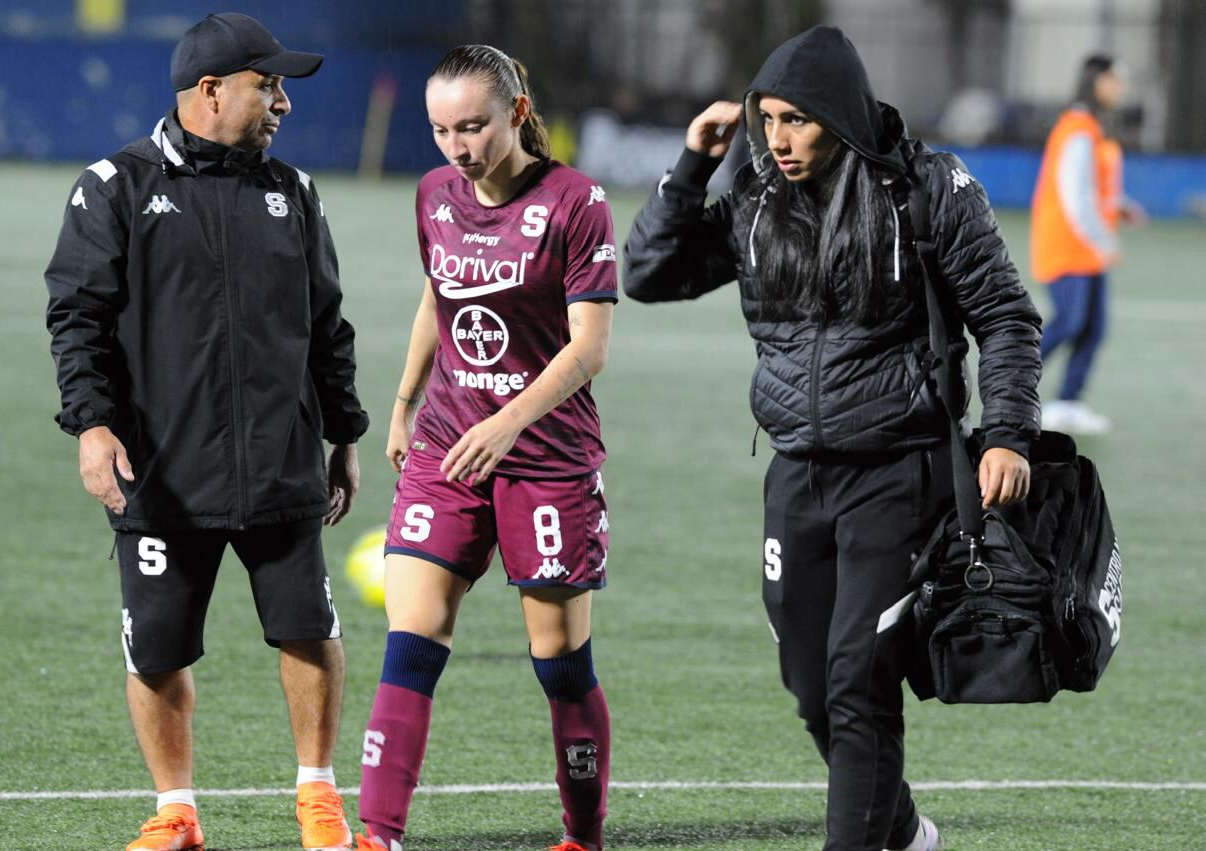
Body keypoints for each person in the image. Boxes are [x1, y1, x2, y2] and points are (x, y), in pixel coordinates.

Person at [623, 26, 1041, 851]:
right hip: (796, 475)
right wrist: (692, 167)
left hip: (901, 472)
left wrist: (1007, 435)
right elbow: (647, 274)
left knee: (858, 681)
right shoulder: (754, 195)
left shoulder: (925, 189)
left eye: (797, 120)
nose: (777, 139)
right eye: (766, 118)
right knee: (811, 686)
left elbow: (1006, 316)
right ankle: (909, 832)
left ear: (840, 119)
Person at [44, 13, 369, 851]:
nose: (283, 105)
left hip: (280, 460)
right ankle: (177, 809)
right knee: (155, 648)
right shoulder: (112, 186)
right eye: (270, 86)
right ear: (211, 91)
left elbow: (327, 322)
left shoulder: (292, 193)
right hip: (160, 467)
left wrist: (344, 432)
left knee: (309, 625)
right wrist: (91, 426)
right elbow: (76, 317)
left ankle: (318, 798)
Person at [354, 45, 616, 851]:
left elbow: (588, 349)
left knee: (559, 660)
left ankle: (582, 834)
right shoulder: (435, 194)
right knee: (412, 639)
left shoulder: (578, 202)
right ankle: (377, 835)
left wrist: (507, 422)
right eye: (441, 130)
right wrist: (402, 404)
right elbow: (440, 295)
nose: (457, 148)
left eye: (473, 127)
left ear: (518, 113)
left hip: (545, 459)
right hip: (445, 447)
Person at [1030, 54, 1144, 435]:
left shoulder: (1093, 128)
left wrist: (1121, 206)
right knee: (1069, 323)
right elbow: (1075, 197)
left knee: (1093, 327)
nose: (1120, 88)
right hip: (1068, 245)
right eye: (1115, 80)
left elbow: (1096, 188)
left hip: (1087, 248)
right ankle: (1012, 385)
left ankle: (1067, 403)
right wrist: (1103, 238)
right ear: (1096, 81)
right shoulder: (1076, 129)